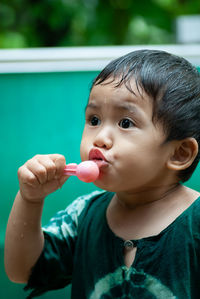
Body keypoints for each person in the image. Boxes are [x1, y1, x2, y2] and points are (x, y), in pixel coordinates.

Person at [4, 49, 200, 299]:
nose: (100, 138)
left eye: (125, 123)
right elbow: (23, 271)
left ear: (179, 153)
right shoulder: (83, 215)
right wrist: (30, 200)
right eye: (94, 119)